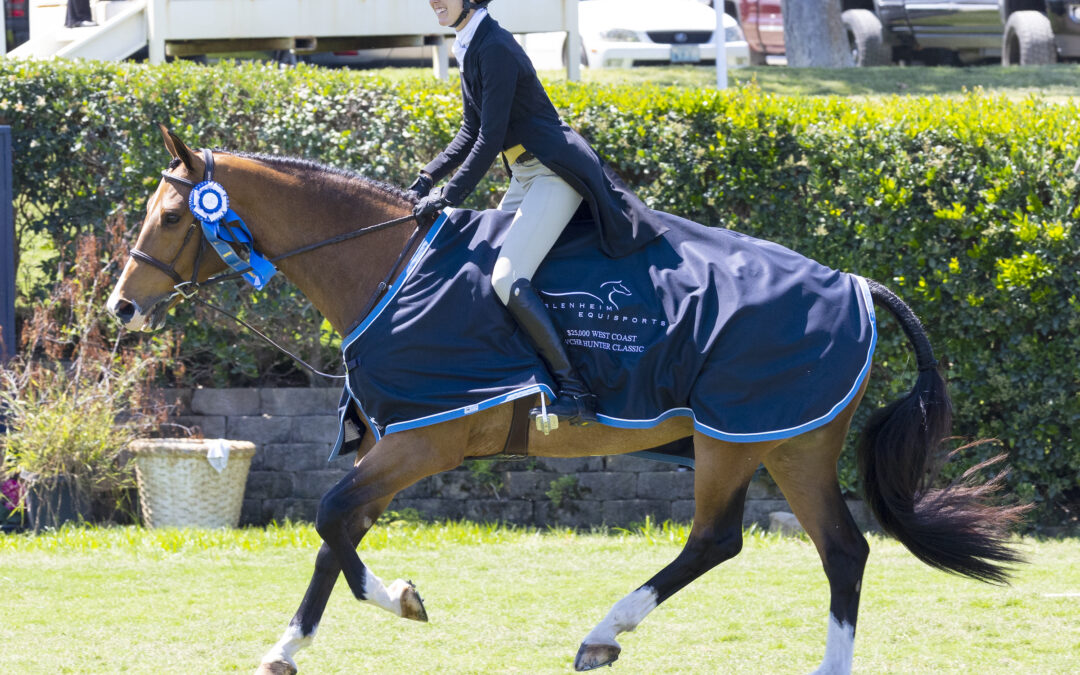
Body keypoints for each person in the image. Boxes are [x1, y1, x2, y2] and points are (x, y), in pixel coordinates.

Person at [411, 0, 665, 427]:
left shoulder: (494, 46)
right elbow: (470, 130)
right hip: (526, 174)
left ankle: (576, 390)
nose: (434, 0)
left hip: (554, 171)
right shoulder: (470, 43)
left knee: (508, 276)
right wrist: (425, 177)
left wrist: (449, 194)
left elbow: (490, 138)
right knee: (483, 266)